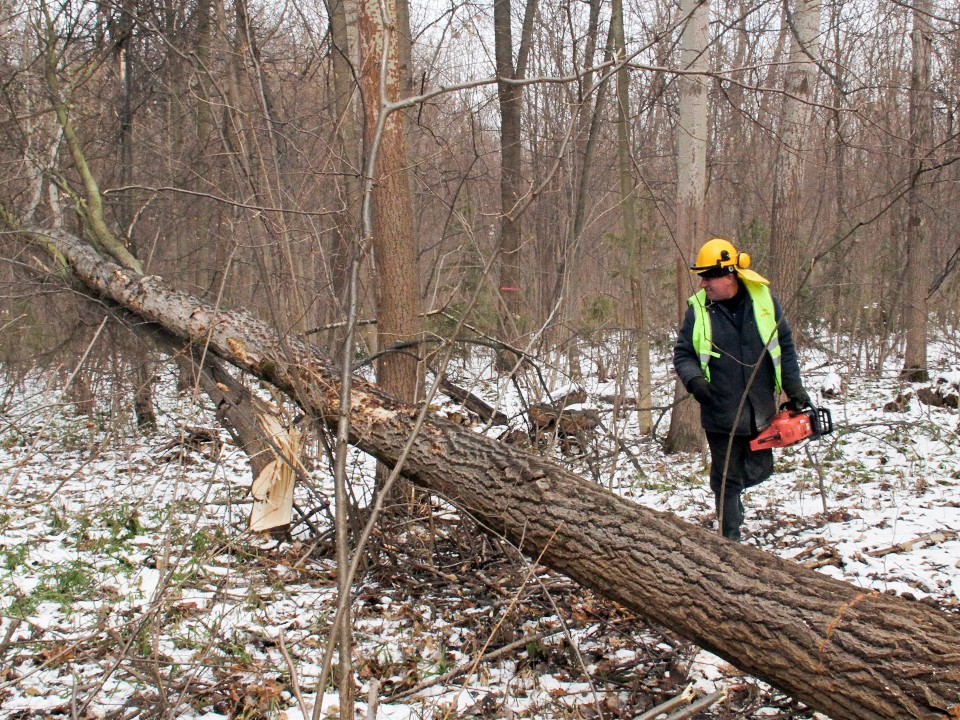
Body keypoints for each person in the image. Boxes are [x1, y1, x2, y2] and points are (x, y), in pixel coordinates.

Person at [673, 238, 810, 542]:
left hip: (760, 409)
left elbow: (783, 349)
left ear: (729, 276)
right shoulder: (699, 311)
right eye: (702, 277)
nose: (704, 283)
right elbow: (683, 354)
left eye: (709, 277)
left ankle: (729, 494)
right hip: (719, 410)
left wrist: (794, 389)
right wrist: (695, 381)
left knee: (760, 470)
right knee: (726, 478)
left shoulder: (764, 303)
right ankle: (729, 536)